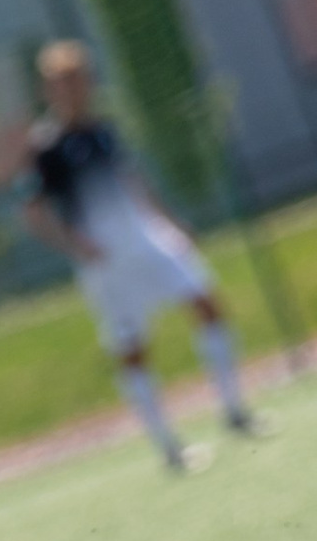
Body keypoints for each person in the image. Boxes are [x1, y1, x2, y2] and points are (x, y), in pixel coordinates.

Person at [20, 40, 261, 468]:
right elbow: (34, 213)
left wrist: (168, 221)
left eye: (78, 79)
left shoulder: (101, 131)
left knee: (206, 303)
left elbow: (132, 183)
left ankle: (233, 410)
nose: (73, 89)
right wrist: (77, 245)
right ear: (49, 89)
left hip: (145, 239)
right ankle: (168, 447)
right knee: (133, 349)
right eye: (63, 83)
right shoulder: (47, 146)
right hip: (107, 263)